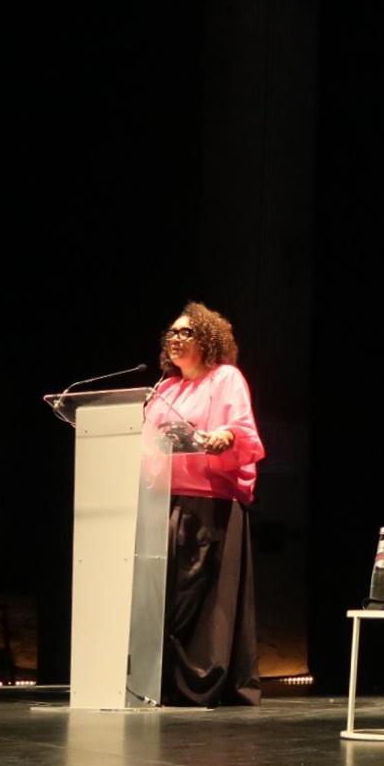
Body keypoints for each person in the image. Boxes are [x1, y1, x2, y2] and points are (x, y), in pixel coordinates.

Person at [145, 302, 267, 707]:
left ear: (208, 340)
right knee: (166, 596)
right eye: (172, 333)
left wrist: (225, 437)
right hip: (164, 502)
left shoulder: (224, 378)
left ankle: (198, 683)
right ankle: (158, 680)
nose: (176, 339)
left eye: (186, 333)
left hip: (208, 504)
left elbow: (241, 430)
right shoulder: (165, 388)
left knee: (198, 596)